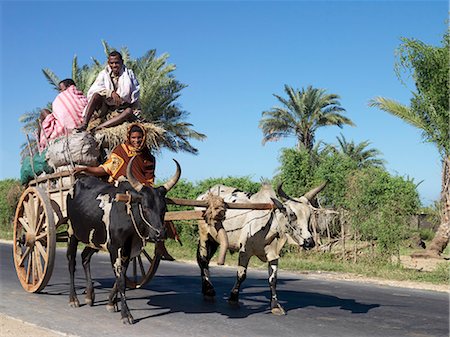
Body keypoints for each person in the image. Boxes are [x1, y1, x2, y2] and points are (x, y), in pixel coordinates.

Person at [73, 123, 176, 261]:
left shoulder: (149, 158)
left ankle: (160, 243)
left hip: (142, 192)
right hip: (121, 187)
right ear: (128, 137)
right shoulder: (120, 151)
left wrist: (150, 193)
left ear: (144, 137)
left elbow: (149, 181)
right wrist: (86, 169)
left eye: (139, 137)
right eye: (133, 137)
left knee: (158, 206)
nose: (137, 141)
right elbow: (106, 169)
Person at [78, 50, 141, 131]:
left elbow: (135, 94)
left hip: (121, 109)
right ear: (108, 63)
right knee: (95, 96)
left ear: (122, 62)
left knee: (128, 111)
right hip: (105, 107)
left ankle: (99, 128)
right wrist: (110, 93)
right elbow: (94, 89)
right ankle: (84, 124)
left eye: (117, 63)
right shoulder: (104, 74)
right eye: (111, 63)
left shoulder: (129, 74)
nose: (114, 65)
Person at [38, 79, 88, 150]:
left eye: (61, 89)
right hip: (84, 124)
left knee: (44, 112)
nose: (60, 92)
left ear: (69, 86)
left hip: (67, 130)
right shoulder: (83, 97)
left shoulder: (62, 97)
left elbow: (58, 115)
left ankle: (39, 142)